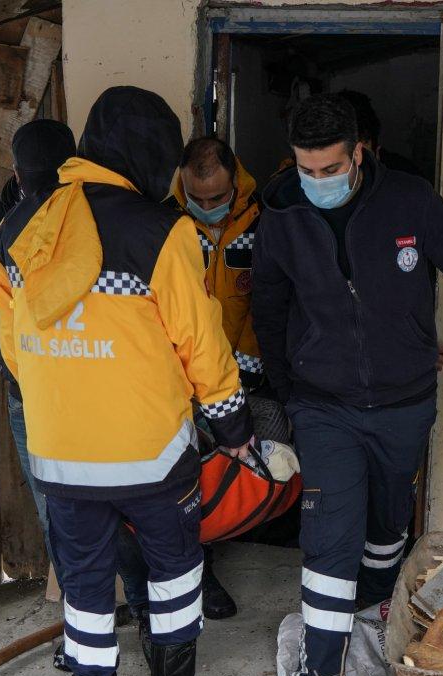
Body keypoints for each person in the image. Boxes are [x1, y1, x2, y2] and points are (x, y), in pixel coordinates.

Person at [0, 87, 253, 676]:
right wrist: (232, 424)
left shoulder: (18, 230)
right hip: (152, 458)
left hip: (62, 459)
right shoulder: (160, 231)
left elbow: (14, 351)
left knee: (84, 596)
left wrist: (63, 393)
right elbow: (202, 345)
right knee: (172, 580)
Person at [251, 93, 443, 676]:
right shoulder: (282, 213)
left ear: (360, 152)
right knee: (329, 540)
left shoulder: (411, 202)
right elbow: (270, 306)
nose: (318, 182)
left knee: (386, 531)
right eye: (308, 169)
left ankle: (366, 632)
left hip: (403, 404)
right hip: (324, 405)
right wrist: (285, 395)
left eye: (330, 168)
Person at [0, 120, 151, 671]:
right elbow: (5, 320)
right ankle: (96, 626)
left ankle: (124, 615)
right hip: (56, 392)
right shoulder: (2, 225)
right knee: (81, 513)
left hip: (69, 390)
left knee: (86, 511)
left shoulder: (67, 212)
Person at [164, 135, 266, 620]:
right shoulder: (164, 221)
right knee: (187, 480)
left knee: (232, 473)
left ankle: (215, 553)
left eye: (216, 199)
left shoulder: (262, 220)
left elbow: (266, 303)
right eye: (196, 198)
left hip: (239, 372)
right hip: (177, 378)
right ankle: (199, 573)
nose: (205, 208)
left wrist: (240, 370)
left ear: (236, 182)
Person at [337, 89, 425, 179]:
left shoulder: (406, 178)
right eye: (332, 169)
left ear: (377, 153)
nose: (353, 172)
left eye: (360, 158)